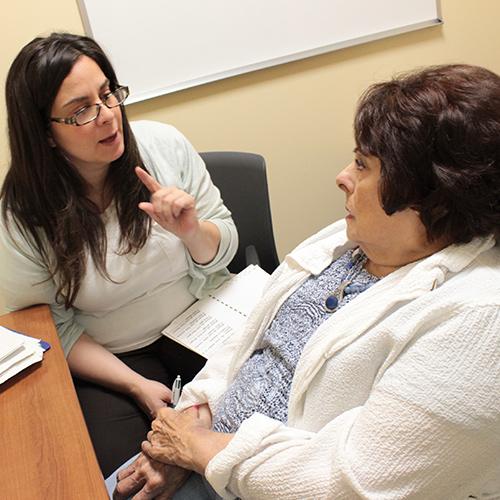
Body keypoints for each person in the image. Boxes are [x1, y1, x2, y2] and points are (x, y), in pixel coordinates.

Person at [109, 64, 500, 500]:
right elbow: (247, 349)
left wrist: (202, 451)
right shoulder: (352, 240)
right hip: (208, 451)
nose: (342, 177)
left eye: (362, 164)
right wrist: (186, 424)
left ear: (431, 197)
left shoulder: (480, 322)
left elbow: (350, 485)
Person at [0, 32, 238, 477]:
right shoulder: (22, 214)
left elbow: (222, 248)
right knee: (129, 480)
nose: (108, 117)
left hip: (203, 319)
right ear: (45, 133)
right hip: (115, 355)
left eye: (108, 95)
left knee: (252, 432)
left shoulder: (162, 147)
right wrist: (136, 386)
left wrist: (191, 232)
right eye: (81, 111)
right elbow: (52, 326)